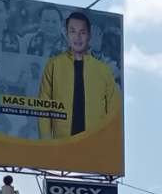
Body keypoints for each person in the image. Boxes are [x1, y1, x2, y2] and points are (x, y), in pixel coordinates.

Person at [37, 11, 118, 139]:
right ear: (66, 34)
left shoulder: (103, 70)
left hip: (93, 145)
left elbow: (113, 112)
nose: (78, 37)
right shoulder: (54, 65)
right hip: (61, 144)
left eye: (83, 32)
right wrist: (47, 144)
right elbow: (44, 108)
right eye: (73, 31)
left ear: (89, 36)